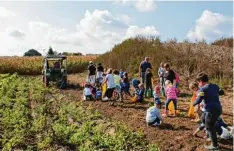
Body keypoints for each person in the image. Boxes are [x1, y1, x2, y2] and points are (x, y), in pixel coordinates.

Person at [193, 73, 224, 150]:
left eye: (198, 82)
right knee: (203, 119)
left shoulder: (203, 89)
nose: (198, 84)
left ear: (201, 81)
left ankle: (214, 145)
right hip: (218, 109)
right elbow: (221, 92)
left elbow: (199, 99)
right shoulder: (215, 86)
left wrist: (193, 104)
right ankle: (215, 134)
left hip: (211, 110)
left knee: (209, 127)